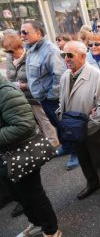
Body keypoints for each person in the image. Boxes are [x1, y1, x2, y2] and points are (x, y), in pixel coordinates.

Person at [0, 73, 62, 237]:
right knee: (18, 196)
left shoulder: (6, 92)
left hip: (20, 155)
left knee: (34, 195)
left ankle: (51, 230)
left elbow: (24, 126)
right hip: (4, 158)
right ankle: (36, 224)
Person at [59, 41, 100, 207]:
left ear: (83, 56)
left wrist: (90, 125)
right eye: (64, 55)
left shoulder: (96, 76)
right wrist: (60, 114)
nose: (66, 59)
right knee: (83, 158)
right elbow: (61, 100)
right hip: (72, 129)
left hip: (91, 128)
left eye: (70, 55)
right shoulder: (65, 76)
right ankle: (92, 183)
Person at [20, 21, 77, 169]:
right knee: (56, 124)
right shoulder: (31, 49)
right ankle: (66, 147)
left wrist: (51, 95)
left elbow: (59, 76)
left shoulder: (51, 50)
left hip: (52, 98)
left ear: (38, 33)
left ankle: (76, 153)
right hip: (43, 98)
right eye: (21, 32)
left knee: (64, 125)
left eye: (25, 32)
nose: (22, 35)